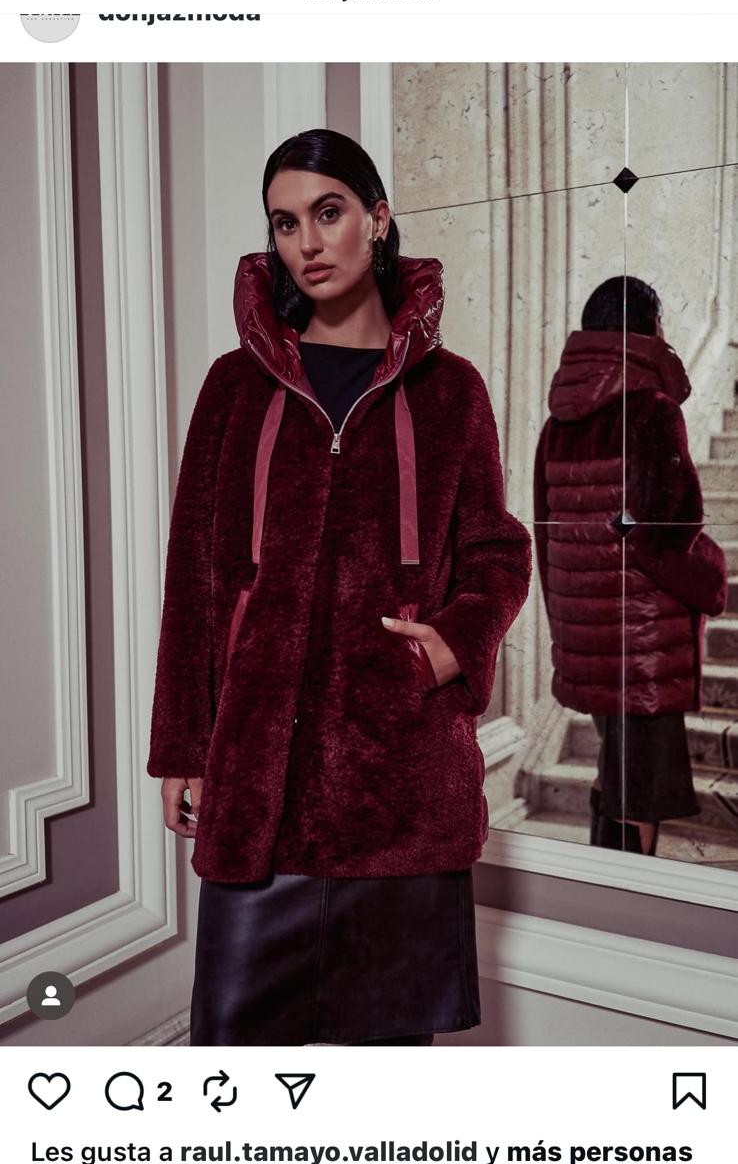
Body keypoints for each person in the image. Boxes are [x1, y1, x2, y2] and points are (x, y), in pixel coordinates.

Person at [147, 128, 531, 1045]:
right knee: (237, 1058)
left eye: (328, 213)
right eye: (285, 224)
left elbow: (498, 551)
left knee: (384, 1073)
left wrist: (452, 645)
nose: (308, 243)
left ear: (378, 219)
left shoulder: (451, 392)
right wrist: (182, 746)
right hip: (259, 785)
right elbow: (194, 579)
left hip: (400, 789)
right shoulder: (234, 388)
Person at [534, 275, 727, 856]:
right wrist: (711, 573)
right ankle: (622, 899)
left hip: (588, 641)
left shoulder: (557, 426)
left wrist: (569, 625)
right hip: (643, 649)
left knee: (614, 774)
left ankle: (600, 893)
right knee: (639, 793)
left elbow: (547, 537)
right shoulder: (652, 410)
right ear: (648, 330)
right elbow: (670, 532)